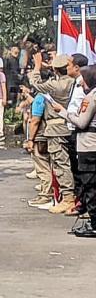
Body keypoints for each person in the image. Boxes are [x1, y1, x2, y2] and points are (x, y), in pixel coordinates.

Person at [29, 53, 77, 214]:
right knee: (70, 164)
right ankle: (71, 196)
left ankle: (68, 198)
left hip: (56, 129)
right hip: (70, 126)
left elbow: (35, 83)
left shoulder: (55, 85)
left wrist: (37, 67)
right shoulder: (73, 82)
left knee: (60, 164)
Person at [52, 65, 96, 236]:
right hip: (90, 145)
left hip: (89, 146)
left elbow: (82, 122)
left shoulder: (91, 97)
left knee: (90, 185)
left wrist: (64, 112)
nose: (81, 84)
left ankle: (94, 223)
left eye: (83, 80)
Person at [65, 53, 89, 214]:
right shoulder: (75, 83)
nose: (66, 68)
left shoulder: (85, 86)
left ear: (77, 67)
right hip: (72, 128)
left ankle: (83, 204)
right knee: (76, 168)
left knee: (83, 170)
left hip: (81, 129)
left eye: (68, 64)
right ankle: (80, 201)